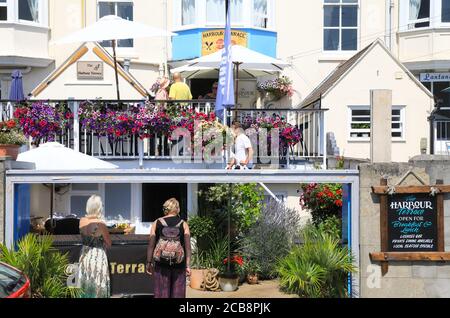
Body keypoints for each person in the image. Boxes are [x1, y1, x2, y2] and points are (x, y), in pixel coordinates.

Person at [146, 198, 192, 298]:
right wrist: (188, 265)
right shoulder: (184, 224)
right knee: (178, 294)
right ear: (178, 209)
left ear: (166, 209)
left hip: (161, 264)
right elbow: (188, 247)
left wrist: (149, 262)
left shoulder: (157, 222)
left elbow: (151, 245)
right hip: (179, 264)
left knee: (161, 293)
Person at [77, 195, 112, 298]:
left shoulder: (81, 221)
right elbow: (109, 243)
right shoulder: (100, 223)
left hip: (84, 255)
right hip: (97, 256)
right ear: (99, 207)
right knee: (98, 287)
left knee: (85, 284)